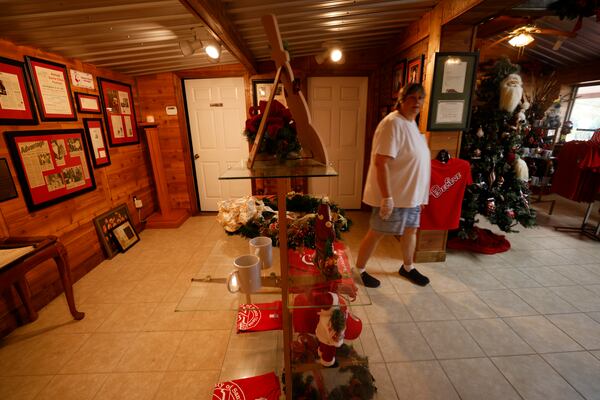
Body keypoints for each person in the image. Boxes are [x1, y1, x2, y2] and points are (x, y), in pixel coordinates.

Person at [356, 83, 431, 288]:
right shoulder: (393, 123)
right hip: (394, 195)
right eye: (412, 98)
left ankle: (407, 267)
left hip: (411, 196)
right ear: (401, 99)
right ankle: (359, 269)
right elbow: (382, 162)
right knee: (377, 232)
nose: (417, 102)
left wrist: (422, 196)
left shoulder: (412, 124)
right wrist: (387, 197)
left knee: (410, 231)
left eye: (420, 98)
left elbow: (418, 162)